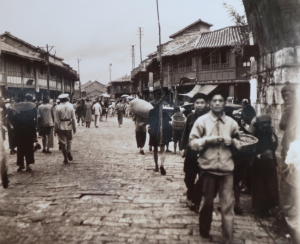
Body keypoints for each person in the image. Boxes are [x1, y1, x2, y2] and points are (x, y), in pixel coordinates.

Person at [189, 90, 241, 243]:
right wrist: (206, 140)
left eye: (220, 101)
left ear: (224, 103)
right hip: (208, 168)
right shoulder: (202, 122)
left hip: (227, 170)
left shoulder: (232, 123)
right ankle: (204, 230)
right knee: (207, 203)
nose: (217, 103)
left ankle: (228, 237)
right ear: (210, 104)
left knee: (227, 205)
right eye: (214, 101)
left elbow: (240, 143)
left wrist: (232, 142)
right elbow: (192, 143)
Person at [180, 93, 209, 209]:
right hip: (192, 152)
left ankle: (196, 199)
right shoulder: (190, 117)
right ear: (194, 104)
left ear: (206, 104)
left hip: (205, 152)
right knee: (188, 177)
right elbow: (185, 133)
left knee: (203, 178)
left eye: (202, 103)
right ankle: (191, 192)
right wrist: (183, 147)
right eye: (197, 103)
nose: (200, 105)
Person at [250, 115, 279, 217]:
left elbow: (274, 145)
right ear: (259, 125)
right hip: (258, 163)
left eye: (267, 124)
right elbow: (252, 147)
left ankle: (267, 207)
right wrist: (258, 155)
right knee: (259, 186)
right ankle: (259, 207)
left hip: (269, 162)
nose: (265, 126)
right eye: (263, 124)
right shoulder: (256, 134)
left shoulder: (271, 134)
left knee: (269, 186)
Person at [279, 82, 298, 216]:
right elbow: (282, 126)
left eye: (288, 95)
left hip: (296, 148)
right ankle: (286, 206)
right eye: (283, 96)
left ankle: (294, 206)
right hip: (287, 146)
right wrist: (286, 113)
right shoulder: (287, 108)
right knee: (285, 174)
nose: (285, 98)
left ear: (294, 94)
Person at [10, 93, 37, 172]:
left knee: (20, 150)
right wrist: (34, 136)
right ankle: (28, 165)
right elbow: (33, 127)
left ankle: (21, 165)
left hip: (19, 135)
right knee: (29, 150)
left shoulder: (17, 117)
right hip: (28, 135)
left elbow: (12, 122)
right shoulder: (30, 117)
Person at [147, 103, 171, 175]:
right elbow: (169, 120)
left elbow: (148, 121)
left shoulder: (151, 112)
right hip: (163, 132)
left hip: (154, 132)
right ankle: (162, 165)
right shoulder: (164, 112)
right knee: (162, 149)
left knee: (155, 150)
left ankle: (156, 166)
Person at [54, 94, 76, 164]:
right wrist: (74, 127)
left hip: (61, 126)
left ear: (60, 100)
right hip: (69, 125)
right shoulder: (71, 106)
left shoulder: (58, 107)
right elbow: (74, 118)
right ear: (67, 99)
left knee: (63, 143)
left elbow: (56, 120)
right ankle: (69, 151)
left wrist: (55, 129)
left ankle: (65, 158)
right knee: (69, 140)